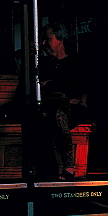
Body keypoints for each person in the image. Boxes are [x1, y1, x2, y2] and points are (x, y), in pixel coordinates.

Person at [38, 22, 87, 181]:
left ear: (60, 40)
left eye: (48, 39)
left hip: (70, 109)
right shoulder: (44, 64)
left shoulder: (74, 62)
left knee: (58, 115)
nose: (44, 43)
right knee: (47, 116)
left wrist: (53, 86)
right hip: (49, 106)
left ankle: (69, 167)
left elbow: (75, 90)